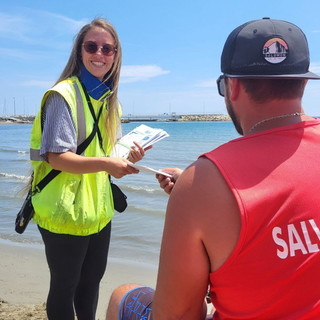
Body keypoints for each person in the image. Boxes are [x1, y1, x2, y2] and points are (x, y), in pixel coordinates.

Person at [105, 18, 320, 320]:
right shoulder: (203, 183)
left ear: (231, 87)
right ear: (303, 82)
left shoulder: (203, 181)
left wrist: (196, 194)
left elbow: (177, 315)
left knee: (121, 296)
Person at [29, 18, 150, 320]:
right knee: (65, 286)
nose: (100, 53)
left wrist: (127, 157)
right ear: (79, 51)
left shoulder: (110, 102)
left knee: (91, 283)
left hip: (98, 212)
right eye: (92, 46)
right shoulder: (63, 95)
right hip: (62, 212)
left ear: (116, 55)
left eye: (107, 48)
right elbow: (57, 157)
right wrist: (108, 163)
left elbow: (106, 155)